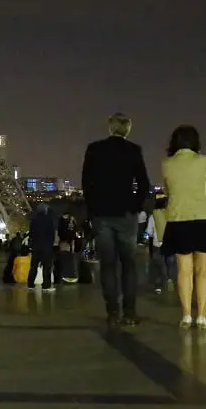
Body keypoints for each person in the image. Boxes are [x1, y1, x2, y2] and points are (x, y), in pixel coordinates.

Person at [81, 113, 152, 326]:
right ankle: (129, 312)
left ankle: (112, 313)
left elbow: (87, 184)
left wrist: (93, 211)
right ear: (128, 130)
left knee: (108, 266)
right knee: (128, 265)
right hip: (126, 214)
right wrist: (136, 206)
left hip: (102, 214)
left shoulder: (94, 149)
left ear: (110, 128)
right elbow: (144, 184)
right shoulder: (133, 151)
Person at [161, 125, 206, 330]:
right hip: (204, 216)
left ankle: (186, 315)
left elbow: (167, 189)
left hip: (178, 218)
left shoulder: (167, 164)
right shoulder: (204, 160)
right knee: (203, 271)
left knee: (183, 271)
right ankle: (202, 316)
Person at [27, 203, 56, 291]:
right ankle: (46, 285)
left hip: (36, 247)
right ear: (45, 210)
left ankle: (30, 284)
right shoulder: (49, 220)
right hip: (46, 247)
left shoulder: (34, 220)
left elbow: (31, 234)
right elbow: (51, 234)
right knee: (46, 267)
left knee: (33, 266)